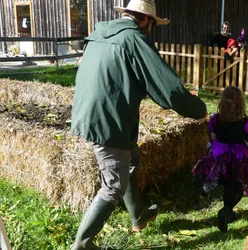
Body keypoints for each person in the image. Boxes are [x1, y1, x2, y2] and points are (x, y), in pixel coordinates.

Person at [70, 0, 208, 249]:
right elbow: (167, 88)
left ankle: (139, 215)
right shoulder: (134, 39)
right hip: (108, 120)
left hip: (90, 112)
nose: (151, 29)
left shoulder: (100, 34)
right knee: (112, 187)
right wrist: (198, 110)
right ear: (145, 19)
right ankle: (82, 244)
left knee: (132, 159)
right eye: (152, 23)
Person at [192, 86, 248, 233]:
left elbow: (212, 136)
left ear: (221, 102)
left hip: (219, 153)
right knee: (236, 184)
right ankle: (226, 210)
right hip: (238, 156)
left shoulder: (216, 119)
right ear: (242, 104)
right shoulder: (246, 123)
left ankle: (205, 193)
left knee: (217, 176)